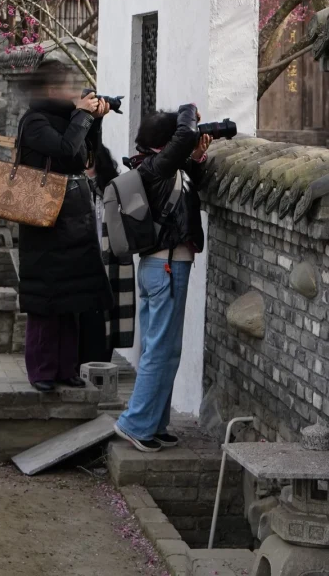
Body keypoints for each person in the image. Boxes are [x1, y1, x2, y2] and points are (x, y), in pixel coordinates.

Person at [113, 104, 211, 453]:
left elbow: (192, 190)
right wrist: (189, 112)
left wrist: (196, 158)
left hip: (163, 268)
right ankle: (134, 423)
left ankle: (155, 423)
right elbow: (184, 134)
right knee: (159, 350)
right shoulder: (155, 167)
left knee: (166, 350)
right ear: (166, 142)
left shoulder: (162, 168)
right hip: (165, 268)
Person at [16, 91, 114, 392]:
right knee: (45, 298)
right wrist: (82, 115)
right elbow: (64, 149)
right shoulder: (35, 121)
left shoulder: (71, 119)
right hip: (43, 219)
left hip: (73, 218)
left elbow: (84, 157)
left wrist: (94, 121)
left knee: (73, 297)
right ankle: (42, 371)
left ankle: (66, 368)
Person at [80, 139, 135, 364]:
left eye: (88, 162)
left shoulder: (113, 190)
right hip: (84, 260)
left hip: (110, 260)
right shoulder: (77, 188)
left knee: (109, 314)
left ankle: (102, 360)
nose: (85, 168)